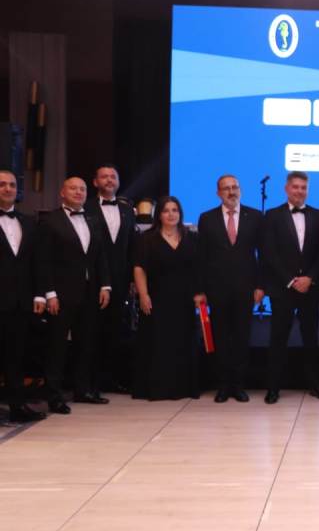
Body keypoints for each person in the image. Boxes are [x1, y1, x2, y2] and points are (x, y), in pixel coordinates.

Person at [35, 177, 112, 409]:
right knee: (57, 346)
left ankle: (83, 390)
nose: (78, 192)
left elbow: (100, 256)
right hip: (61, 294)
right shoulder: (49, 221)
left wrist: (105, 285)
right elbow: (43, 260)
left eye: (82, 189)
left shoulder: (93, 219)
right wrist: (49, 293)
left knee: (86, 343)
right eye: (73, 188)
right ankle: (54, 396)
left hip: (90, 292)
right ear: (62, 192)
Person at [195, 175, 264, 403]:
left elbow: (263, 255)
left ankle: (239, 385)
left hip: (246, 288)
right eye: (226, 188)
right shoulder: (207, 218)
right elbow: (202, 257)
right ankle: (223, 385)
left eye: (235, 187)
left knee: (242, 337)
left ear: (240, 190)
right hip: (217, 289)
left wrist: (260, 286)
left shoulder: (255, 216)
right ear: (218, 193)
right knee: (221, 337)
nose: (231, 192)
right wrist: (201, 290)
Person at [262, 172, 319, 404]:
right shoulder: (272, 216)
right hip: (283, 289)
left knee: (311, 339)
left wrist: (310, 278)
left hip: (310, 288)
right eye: (296, 187)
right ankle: (273, 388)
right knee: (278, 339)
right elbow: (269, 253)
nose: (299, 191)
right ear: (286, 188)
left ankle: (315, 384)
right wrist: (291, 280)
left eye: (303, 187)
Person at [132, 197, 200, 401]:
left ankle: (183, 388)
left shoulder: (191, 237)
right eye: (166, 210)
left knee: (182, 342)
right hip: (157, 298)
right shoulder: (147, 238)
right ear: (158, 215)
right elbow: (139, 268)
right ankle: (158, 388)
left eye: (175, 210)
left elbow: (199, 268)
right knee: (158, 343)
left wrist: (199, 293)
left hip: (185, 299)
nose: (171, 214)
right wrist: (143, 294)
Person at [84, 165, 137, 394]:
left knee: (115, 331)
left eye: (113, 176)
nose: (109, 180)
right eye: (104, 176)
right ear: (95, 182)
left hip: (122, 280)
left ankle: (111, 379)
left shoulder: (127, 210)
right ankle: (89, 382)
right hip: (92, 280)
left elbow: (132, 246)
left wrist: (133, 279)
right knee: (92, 330)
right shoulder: (85, 208)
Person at [0, 170, 48, 421]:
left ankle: (17, 407)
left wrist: (40, 295)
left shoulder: (29, 222)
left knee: (16, 356)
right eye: (2, 184)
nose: (7, 188)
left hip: (20, 300)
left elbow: (37, 262)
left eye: (11, 184)